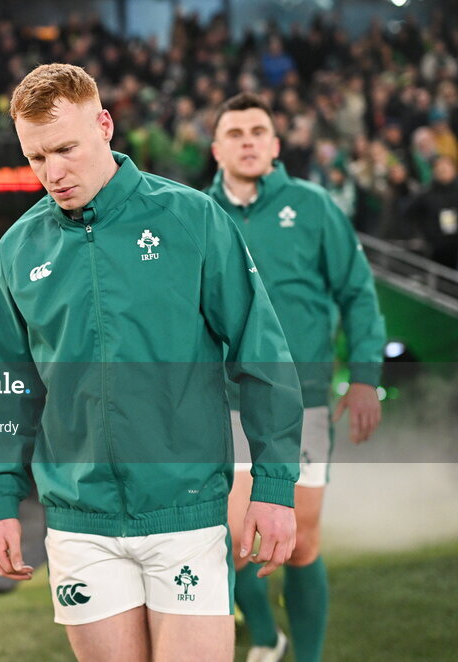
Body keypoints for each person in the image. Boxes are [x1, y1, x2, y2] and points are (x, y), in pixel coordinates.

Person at [0, 64, 303, 662]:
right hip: (79, 524)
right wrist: (0, 500)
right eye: (35, 157)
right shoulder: (19, 250)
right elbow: (6, 386)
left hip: (186, 513)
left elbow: (262, 355)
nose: (53, 173)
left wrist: (276, 485)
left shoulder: (192, 219)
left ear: (105, 125)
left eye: (66, 149)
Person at [206, 92, 386, 662]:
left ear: (277, 145)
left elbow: (357, 292)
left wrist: (364, 376)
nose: (249, 140)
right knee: (231, 542)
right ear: (216, 148)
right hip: (224, 401)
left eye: (259, 130)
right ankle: (265, 637)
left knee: (300, 541)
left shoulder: (314, 206)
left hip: (302, 401)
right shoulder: (195, 214)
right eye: (235, 132)